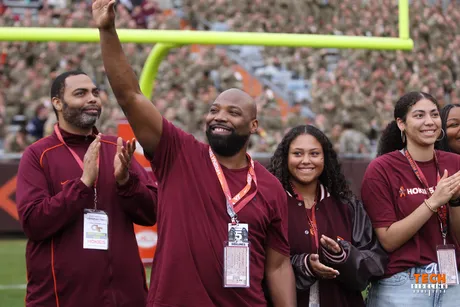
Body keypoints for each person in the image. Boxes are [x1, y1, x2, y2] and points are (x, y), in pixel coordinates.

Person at [92, 0, 297, 306]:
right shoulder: (179, 153)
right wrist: (107, 30)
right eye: (214, 110)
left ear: (254, 125)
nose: (219, 116)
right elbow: (131, 96)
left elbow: (278, 266)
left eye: (233, 112)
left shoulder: (269, 187)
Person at [16, 71, 158, 307]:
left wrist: (126, 183)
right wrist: (82, 185)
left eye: (94, 92)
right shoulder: (38, 155)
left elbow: (152, 212)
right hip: (62, 298)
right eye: (80, 93)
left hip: (125, 297)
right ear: (58, 103)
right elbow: (33, 223)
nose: (92, 98)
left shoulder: (117, 148)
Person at [267, 125, 387, 307]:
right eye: (297, 154)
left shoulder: (347, 206)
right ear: (285, 158)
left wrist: (344, 257)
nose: (306, 161)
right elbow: (259, 265)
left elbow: (374, 261)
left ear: (325, 158)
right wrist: (303, 265)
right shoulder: (271, 204)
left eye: (314, 154)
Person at [361, 92, 460, 306]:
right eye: (419, 115)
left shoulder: (456, 164)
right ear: (401, 123)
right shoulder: (382, 169)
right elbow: (388, 240)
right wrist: (433, 202)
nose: (429, 122)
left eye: (434, 114)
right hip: (403, 281)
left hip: (451, 280)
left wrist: (455, 201)